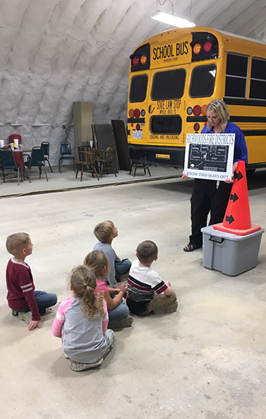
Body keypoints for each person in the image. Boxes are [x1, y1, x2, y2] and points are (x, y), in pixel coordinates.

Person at [182, 99, 248, 252]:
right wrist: (189, 169)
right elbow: (198, 153)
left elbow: (242, 157)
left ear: (222, 116)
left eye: (214, 117)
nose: (211, 120)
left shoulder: (234, 131)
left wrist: (231, 170)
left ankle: (212, 242)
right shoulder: (206, 130)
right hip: (203, 179)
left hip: (221, 180)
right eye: (209, 117)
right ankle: (196, 240)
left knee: (217, 211)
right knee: (197, 209)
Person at [52, 265, 115, 372]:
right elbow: (103, 330)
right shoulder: (101, 303)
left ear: (71, 287)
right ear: (94, 286)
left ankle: (76, 359)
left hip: (71, 352)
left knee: (64, 326)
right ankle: (95, 359)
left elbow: (55, 332)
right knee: (111, 333)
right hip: (97, 351)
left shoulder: (64, 306)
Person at [5, 232, 57, 331]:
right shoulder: (22, 270)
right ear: (24, 251)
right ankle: (23, 312)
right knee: (53, 298)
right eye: (30, 243)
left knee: (44, 294)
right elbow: (29, 295)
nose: (32, 245)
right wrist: (36, 317)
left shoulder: (11, 261)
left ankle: (16, 309)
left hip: (14, 298)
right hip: (22, 301)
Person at [126, 240, 177, 315]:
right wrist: (166, 284)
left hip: (129, 302)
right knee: (172, 296)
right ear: (156, 258)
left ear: (136, 254)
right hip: (142, 308)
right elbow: (168, 293)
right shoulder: (152, 276)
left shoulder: (134, 263)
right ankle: (157, 309)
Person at [84, 250, 133, 329]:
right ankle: (108, 324)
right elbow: (111, 306)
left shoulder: (85, 279)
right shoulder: (101, 285)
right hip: (96, 315)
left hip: (86, 311)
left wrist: (117, 291)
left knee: (116, 297)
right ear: (104, 269)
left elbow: (101, 290)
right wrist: (122, 292)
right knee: (124, 309)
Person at [93, 220, 131, 288]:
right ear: (111, 236)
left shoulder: (98, 244)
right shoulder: (109, 251)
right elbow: (110, 271)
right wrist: (114, 286)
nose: (116, 228)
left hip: (99, 273)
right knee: (127, 263)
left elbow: (116, 259)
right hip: (105, 276)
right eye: (114, 228)